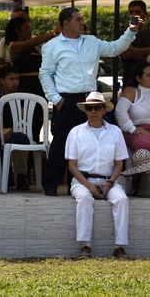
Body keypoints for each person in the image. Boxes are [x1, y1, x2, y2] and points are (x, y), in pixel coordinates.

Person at [39, 6, 139, 196]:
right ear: (66, 23)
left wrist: (130, 32)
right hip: (66, 99)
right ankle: (51, 185)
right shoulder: (52, 46)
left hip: (91, 98)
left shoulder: (91, 41)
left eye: (82, 18)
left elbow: (115, 48)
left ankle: (75, 185)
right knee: (62, 142)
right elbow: (45, 74)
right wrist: (56, 99)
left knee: (87, 142)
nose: (82, 22)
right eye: (78, 19)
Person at [66, 92, 129, 259]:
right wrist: (89, 186)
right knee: (84, 198)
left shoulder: (115, 132)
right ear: (85, 111)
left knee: (122, 199)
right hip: (83, 181)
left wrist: (109, 184)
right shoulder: (76, 132)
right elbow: (72, 166)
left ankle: (120, 246)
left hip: (109, 180)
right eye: (89, 108)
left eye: (97, 107)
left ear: (104, 110)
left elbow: (119, 164)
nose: (93, 111)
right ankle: (85, 246)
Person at [5, 15, 59, 97]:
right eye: (26, 28)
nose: (30, 30)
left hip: (40, 85)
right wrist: (54, 32)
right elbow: (30, 43)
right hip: (26, 85)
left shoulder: (35, 46)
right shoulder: (14, 46)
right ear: (17, 31)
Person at [115, 62, 150, 155]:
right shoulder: (131, 91)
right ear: (138, 78)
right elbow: (120, 110)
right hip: (135, 131)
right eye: (149, 75)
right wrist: (132, 129)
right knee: (144, 143)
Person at [120, 0, 150, 81]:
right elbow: (128, 53)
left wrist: (136, 53)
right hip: (130, 80)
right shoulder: (123, 33)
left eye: (137, 12)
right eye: (131, 12)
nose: (134, 15)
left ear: (145, 14)